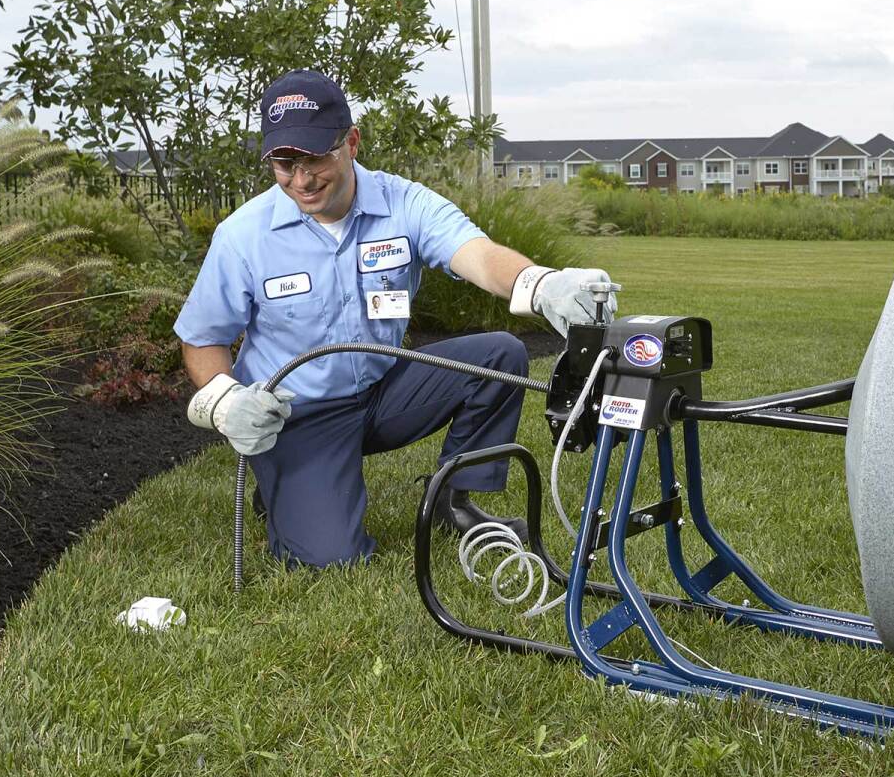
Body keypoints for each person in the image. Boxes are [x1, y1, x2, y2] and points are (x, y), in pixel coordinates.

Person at [173, 69, 612, 568]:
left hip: (384, 391)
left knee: (500, 356)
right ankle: (288, 482)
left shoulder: (404, 203)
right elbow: (202, 338)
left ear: (351, 142)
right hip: (299, 415)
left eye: (315, 158)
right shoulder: (243, 236)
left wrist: (539, 282)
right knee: (331, 560)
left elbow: (476, 254)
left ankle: (452, 500)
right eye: (285, 163)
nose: (302, 179)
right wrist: (226, 400)